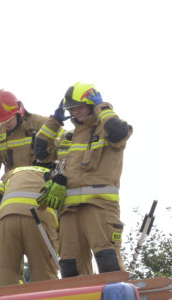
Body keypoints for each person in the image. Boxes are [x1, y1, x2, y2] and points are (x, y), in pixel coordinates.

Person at [33, 82, 133, 277]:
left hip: (99, 207)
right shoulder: (69, 137)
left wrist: (102, 107)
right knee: (70, 267)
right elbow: (41, 152)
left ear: (91, 104)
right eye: (71, 109)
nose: (75, 112)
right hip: (69, 211)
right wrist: (54, 121)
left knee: (108, 261)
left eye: (79, 106)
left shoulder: (108, 130)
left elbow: (119, 132)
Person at [0, 166, 59, 286]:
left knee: (4, 276)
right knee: (44, 276)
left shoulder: (13, 174)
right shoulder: (57, 175)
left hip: (7, 219)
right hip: (39, 219)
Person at [0, 90, 48, 214]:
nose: (5, 124)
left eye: (8, 119)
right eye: (1, 121)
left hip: (42, 187)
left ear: (19, 112)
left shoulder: (42, 124)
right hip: (13, 190)